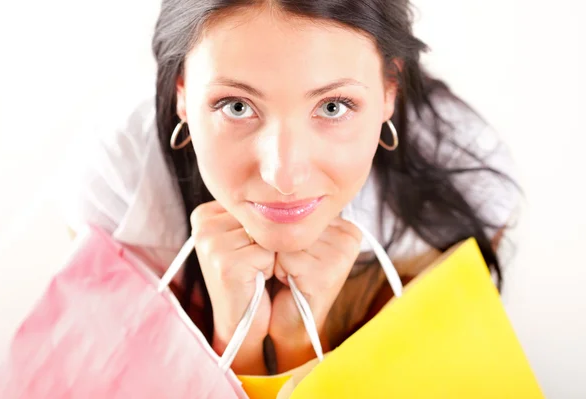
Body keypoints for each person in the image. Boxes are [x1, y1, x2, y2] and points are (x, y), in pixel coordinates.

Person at [61, 0, 519, 376]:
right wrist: (235, 341)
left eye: (334, 106)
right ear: (182, 92)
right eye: (237, 106)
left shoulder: (457, 175)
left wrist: (300, 341)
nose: (284, 177)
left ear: (389, 92)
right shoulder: (122, 188)